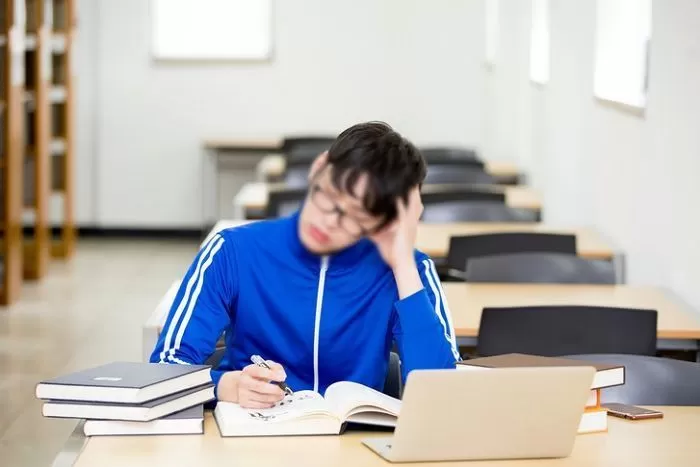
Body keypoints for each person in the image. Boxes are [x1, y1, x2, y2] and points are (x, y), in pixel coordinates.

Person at [150, 122, 459, 409]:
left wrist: (403, 264)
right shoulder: (233, 250)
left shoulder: (411, 271)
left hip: (353, 447)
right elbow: (165, 369)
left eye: (357, 215)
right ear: (320, 168)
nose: (330, 222)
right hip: (248, 440)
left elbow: (443, 396)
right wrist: (222, 386)